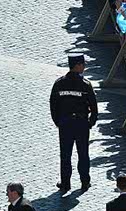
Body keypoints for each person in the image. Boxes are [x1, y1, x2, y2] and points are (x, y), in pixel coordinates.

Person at [50, 53, 98, 192]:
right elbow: (94, 106)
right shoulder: (85, 85)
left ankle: (65, 183)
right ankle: (85, 181)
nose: (84, 66)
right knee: (83, 154)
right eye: (83, 64)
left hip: (65, 124)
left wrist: (58, 121)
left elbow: (53, 105)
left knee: (65, 155)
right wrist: (90, 123)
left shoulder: (59, 84)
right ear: (77, 65)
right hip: (81, 124)